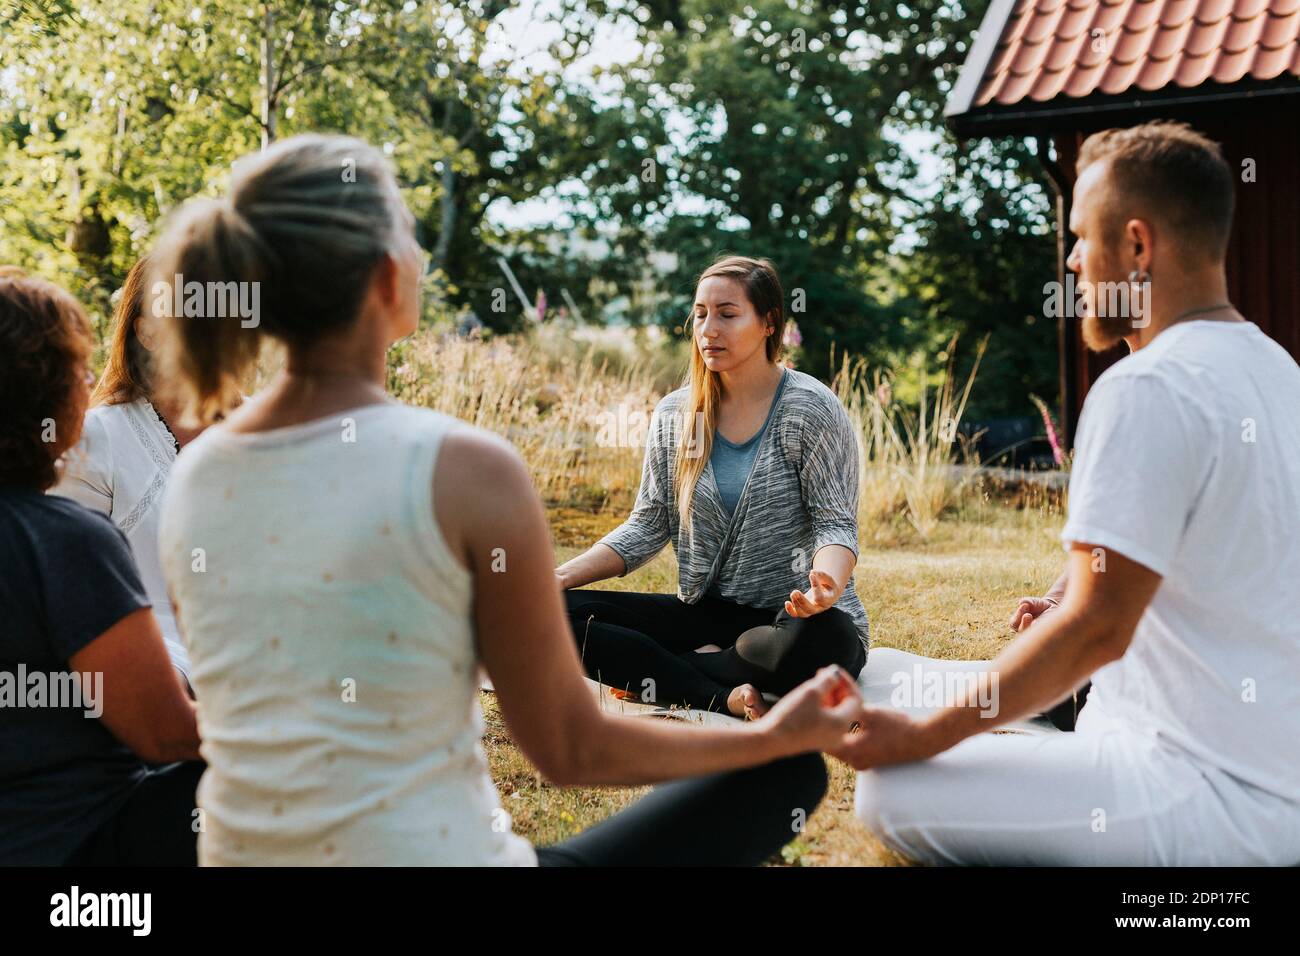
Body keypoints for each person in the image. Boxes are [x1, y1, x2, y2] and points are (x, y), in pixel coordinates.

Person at [151, 133, 861, 867]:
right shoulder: (465, 468)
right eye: (411, 235)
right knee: (788, 772)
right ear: (389, 276)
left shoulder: (197, 474)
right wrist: (773, 739)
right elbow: (569, 748)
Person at [843, 121, 1300, 865]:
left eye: (1083, 237)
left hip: (1205, 797)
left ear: (1138, 247)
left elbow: (1096, 630)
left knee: (892, 791)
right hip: (1270, 774)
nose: (1073, 260)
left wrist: (926, 739)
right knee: (883, 671)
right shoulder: (1280, 371)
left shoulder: (1147, 385)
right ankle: (1020, 736)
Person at [557, 255, 868, 718]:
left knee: (827, 644)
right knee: (551, 613)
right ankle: (719, 693)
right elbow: (648, 524)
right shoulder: (677, 416)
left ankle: (671, 672)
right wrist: (558, 578)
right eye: (700, 314)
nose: (708, 329)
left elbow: (834, 522)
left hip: (792, 619)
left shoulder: (809, 408)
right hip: (705, 612)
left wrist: (827, 585)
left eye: (727, 314)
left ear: (769, 323)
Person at [0, 272, 202, 866]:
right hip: (77, 845)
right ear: (48, 397)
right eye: (76, 372)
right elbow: (166, 734)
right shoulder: (67, 539)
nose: (88, 385)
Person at [51, 256, 209, 684]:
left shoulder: (273, 431)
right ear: (147, 333)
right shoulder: (93, 440)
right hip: (155, 674)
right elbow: (74, 600)